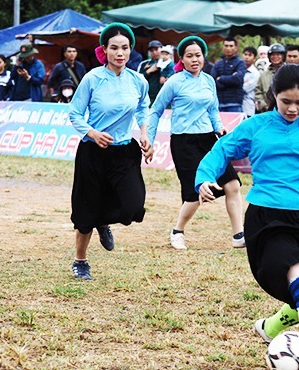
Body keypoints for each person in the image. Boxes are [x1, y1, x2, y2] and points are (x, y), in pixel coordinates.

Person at [195, 63, 299, 370]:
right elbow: (221, 149)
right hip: (269, 220)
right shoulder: (257, 126)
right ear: (273, 96)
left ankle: (269, 328)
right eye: (286, 101)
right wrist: (204, 178)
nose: (293, 109)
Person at [67, 23, 154, 281]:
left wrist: (145, 133)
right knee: (85, 211)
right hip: (93, 153)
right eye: (114, 48)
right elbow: (74, 113)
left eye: (125, 48)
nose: (120, 53)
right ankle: (80, 261)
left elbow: (142, 107)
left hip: (124, 153)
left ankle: (103, 221)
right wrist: (92, 133)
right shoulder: (92, 78)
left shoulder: (138, 80)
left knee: (133, 207)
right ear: (104, 50)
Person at [147, 35, 245, 251]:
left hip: (209, 139)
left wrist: (219, 127)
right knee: (195, 193)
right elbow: (155, 111)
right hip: (184, 142)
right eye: (189, 56)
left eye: (198, 55)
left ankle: (239, 236)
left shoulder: (209, 80)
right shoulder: (174, 82)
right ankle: (177, 231)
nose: (194, 60)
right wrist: (150, 141)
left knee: (232, 185)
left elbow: (213, 109)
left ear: (203, 57)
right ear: (181, 59)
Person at [211, 37, 247, 113]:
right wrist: (230, 79)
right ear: (223, 47)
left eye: (231, 46)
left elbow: (237, 79)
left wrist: (221, 79)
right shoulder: (218, 64)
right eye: (226, 46)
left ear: (236, 48)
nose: (228, 48)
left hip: (234, 103)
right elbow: (212, 81)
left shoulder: (240, 63)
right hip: (219, 102)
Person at [255, 43, 286, 113]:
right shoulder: (264, 74)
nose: (275, 57)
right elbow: (258, 91)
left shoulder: (289, 71)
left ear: (283, 56)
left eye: (278, 55)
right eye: (273, 55)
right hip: (267, 109)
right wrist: (263, 105)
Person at [137, 39, 164, 106]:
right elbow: (137, 81)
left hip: (165, 99)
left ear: (162, 49)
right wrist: (149, 71)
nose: (154, 52)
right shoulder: (144, 64)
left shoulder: (169, 64)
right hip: (148, 99)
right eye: (151, 50)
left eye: (156, 49)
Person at [241, 46, 260, 118]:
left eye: (249, 55)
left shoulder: (255, 73)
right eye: (245, 54)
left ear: (254, 58)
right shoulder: (237, 69)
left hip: (247, 106)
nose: (246, 57)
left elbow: (244, 89)